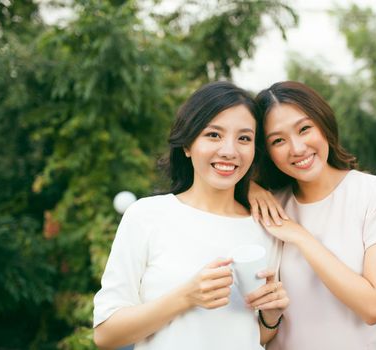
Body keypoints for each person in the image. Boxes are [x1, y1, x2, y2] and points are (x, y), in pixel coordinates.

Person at [93, 82, 289, 350]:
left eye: (244, 138)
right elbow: (106, 335)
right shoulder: (147, 215)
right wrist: (186, 297)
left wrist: (270, 317)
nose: (229, 150)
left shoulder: (266, 227)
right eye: (213, 135)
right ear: (187, 145)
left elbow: (255, 336)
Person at [247, 81, 376, 350]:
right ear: (266, 152)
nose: (297, 148)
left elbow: (374, 306)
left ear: (323, 123)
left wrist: (301, 237)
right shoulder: (269, 206)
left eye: (304, 129)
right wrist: (247, 186)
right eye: (278, 140)